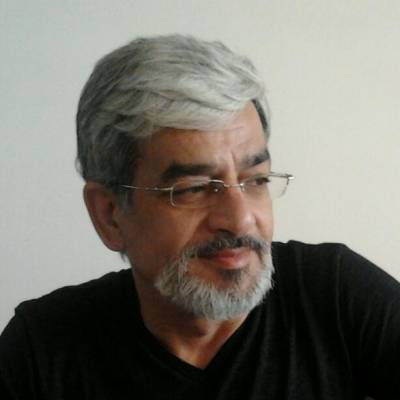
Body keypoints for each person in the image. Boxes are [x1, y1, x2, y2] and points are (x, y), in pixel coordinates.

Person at [0, 34, 399, 400]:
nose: (240, 220)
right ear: (110, 215)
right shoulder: (44, 350)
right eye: (192, 189)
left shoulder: (335, 297)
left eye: (256, 180)